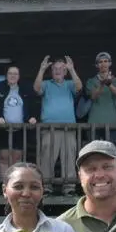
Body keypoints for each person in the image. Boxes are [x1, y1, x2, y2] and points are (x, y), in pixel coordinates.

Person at [33, 56, 83, 194]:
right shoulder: (46, 84)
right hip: (49, 127)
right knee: (47, 157)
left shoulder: (69, 84)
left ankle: (69, 187)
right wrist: (42, 69)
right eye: (55, 68)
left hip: (69, 127)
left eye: (61, 69)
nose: (58, 71)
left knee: (69, 156)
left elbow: (79, 87)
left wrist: (72, 69)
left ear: (65, 72)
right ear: (51, 71)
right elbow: (36, 89)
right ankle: (47, 187)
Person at [0, 65, 36, 153]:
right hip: (3, 129)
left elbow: (32, 106)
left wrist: (32, 117)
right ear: (6, 75)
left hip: (20, 130)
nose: (12, 76)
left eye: (15, 74)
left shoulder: (25, 89)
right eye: (10, 73)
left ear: (19, 76)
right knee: (3, 157)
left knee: (17, 156)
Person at [84, 51, 116, 136]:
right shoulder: (91, 81)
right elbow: (93, 96)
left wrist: (109, 83)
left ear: (110, 63)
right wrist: (101, 84)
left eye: (106, 61)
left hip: (112, 121)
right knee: (94, 148)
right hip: (95, 120)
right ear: (97, 65)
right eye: (100, 62)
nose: (103, 64)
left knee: (110, 148)